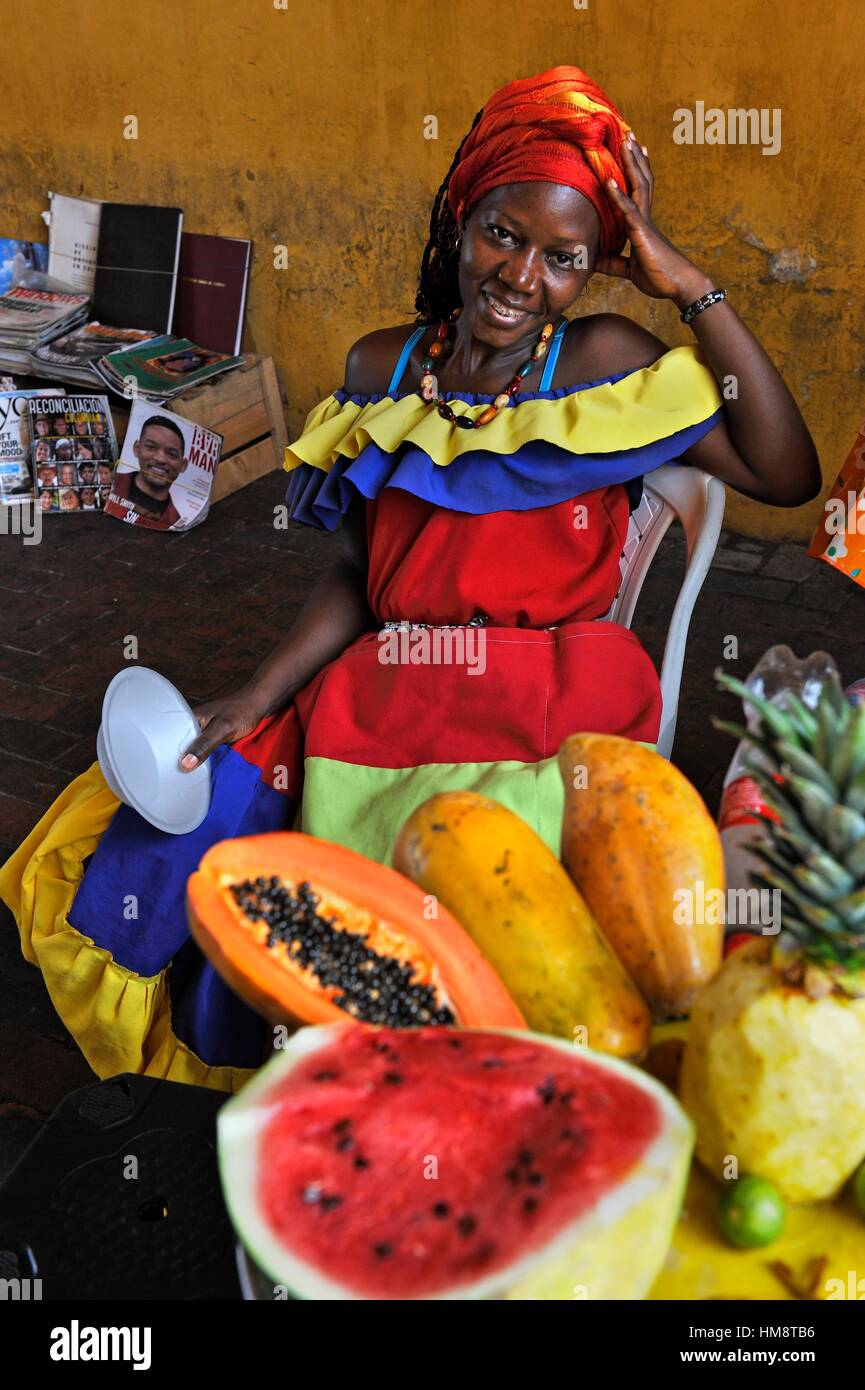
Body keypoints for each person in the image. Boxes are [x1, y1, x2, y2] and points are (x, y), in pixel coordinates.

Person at [0, 66, 820, 1093]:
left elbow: (787, 475)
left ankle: (452, 1087)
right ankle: (303, 1072)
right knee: (194, 826)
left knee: (472, 908)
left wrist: (681, 278)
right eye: (502, 234)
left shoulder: (603, 357)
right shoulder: (378, 368)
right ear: (457, 219)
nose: (522, 276)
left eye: (565, 257)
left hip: (551, 690)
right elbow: (359, 567)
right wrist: (263, 688)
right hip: (385, 681)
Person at [105, 416, 186, 528]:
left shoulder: (176, 523)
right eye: (151, 447)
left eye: (171, 454)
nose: (160, 459)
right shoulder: (107, 485)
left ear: (183, 465)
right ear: (137, 448)